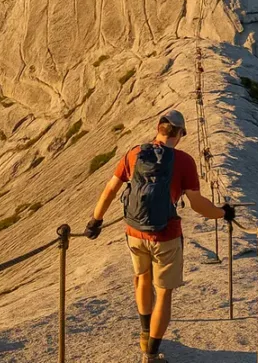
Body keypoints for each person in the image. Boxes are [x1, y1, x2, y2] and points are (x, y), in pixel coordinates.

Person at [84, 109, 235, 363]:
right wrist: (223, 213)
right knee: (163, 292)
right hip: (166, 235)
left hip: (134, 231)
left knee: (142, 278)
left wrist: (95, 221)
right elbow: (197, 204)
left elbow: (111, 188)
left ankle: (145, 334)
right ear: (180, 134)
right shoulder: (184, 161)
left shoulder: (134, 153)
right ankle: (151, 355)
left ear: (158, 127)